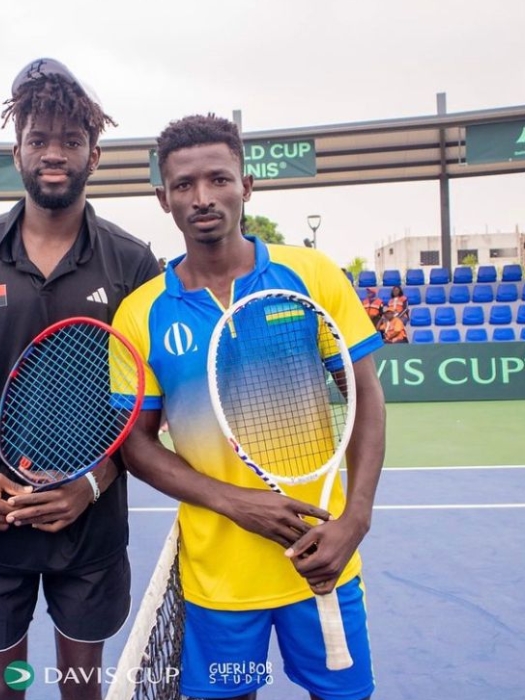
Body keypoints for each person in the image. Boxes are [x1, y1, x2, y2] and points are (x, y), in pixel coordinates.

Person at [0, 57, 159, 700]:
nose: (54, 154)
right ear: (16, 149)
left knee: (79, 685)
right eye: (39, 139)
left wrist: (94, 485)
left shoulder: (132, 262)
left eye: (71, 141)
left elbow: (149, 407)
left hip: (89, 531)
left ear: (93, 155)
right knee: (8, 688)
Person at [113, 114, 386, 700]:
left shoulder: (311, 276)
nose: (203, 197)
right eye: (184, 185)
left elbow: (364, 399)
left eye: (219, 179)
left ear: (247, 186)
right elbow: (135, 442)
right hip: (218, 585)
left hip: (325, 563)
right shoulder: (140, 314)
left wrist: (355, 520)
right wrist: (234, 502)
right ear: (163, 199)